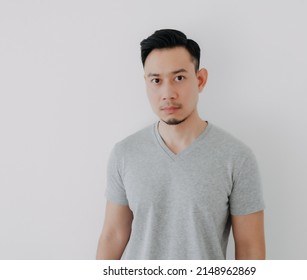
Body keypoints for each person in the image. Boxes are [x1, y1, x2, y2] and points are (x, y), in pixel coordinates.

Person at [96, 29, 265, 260]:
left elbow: (250, 249)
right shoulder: (124, 154)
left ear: (200, 80)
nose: (167, 93)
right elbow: (113, 235)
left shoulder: (236, 157)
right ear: (146, 83)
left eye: (179, 78)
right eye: (156, 80)